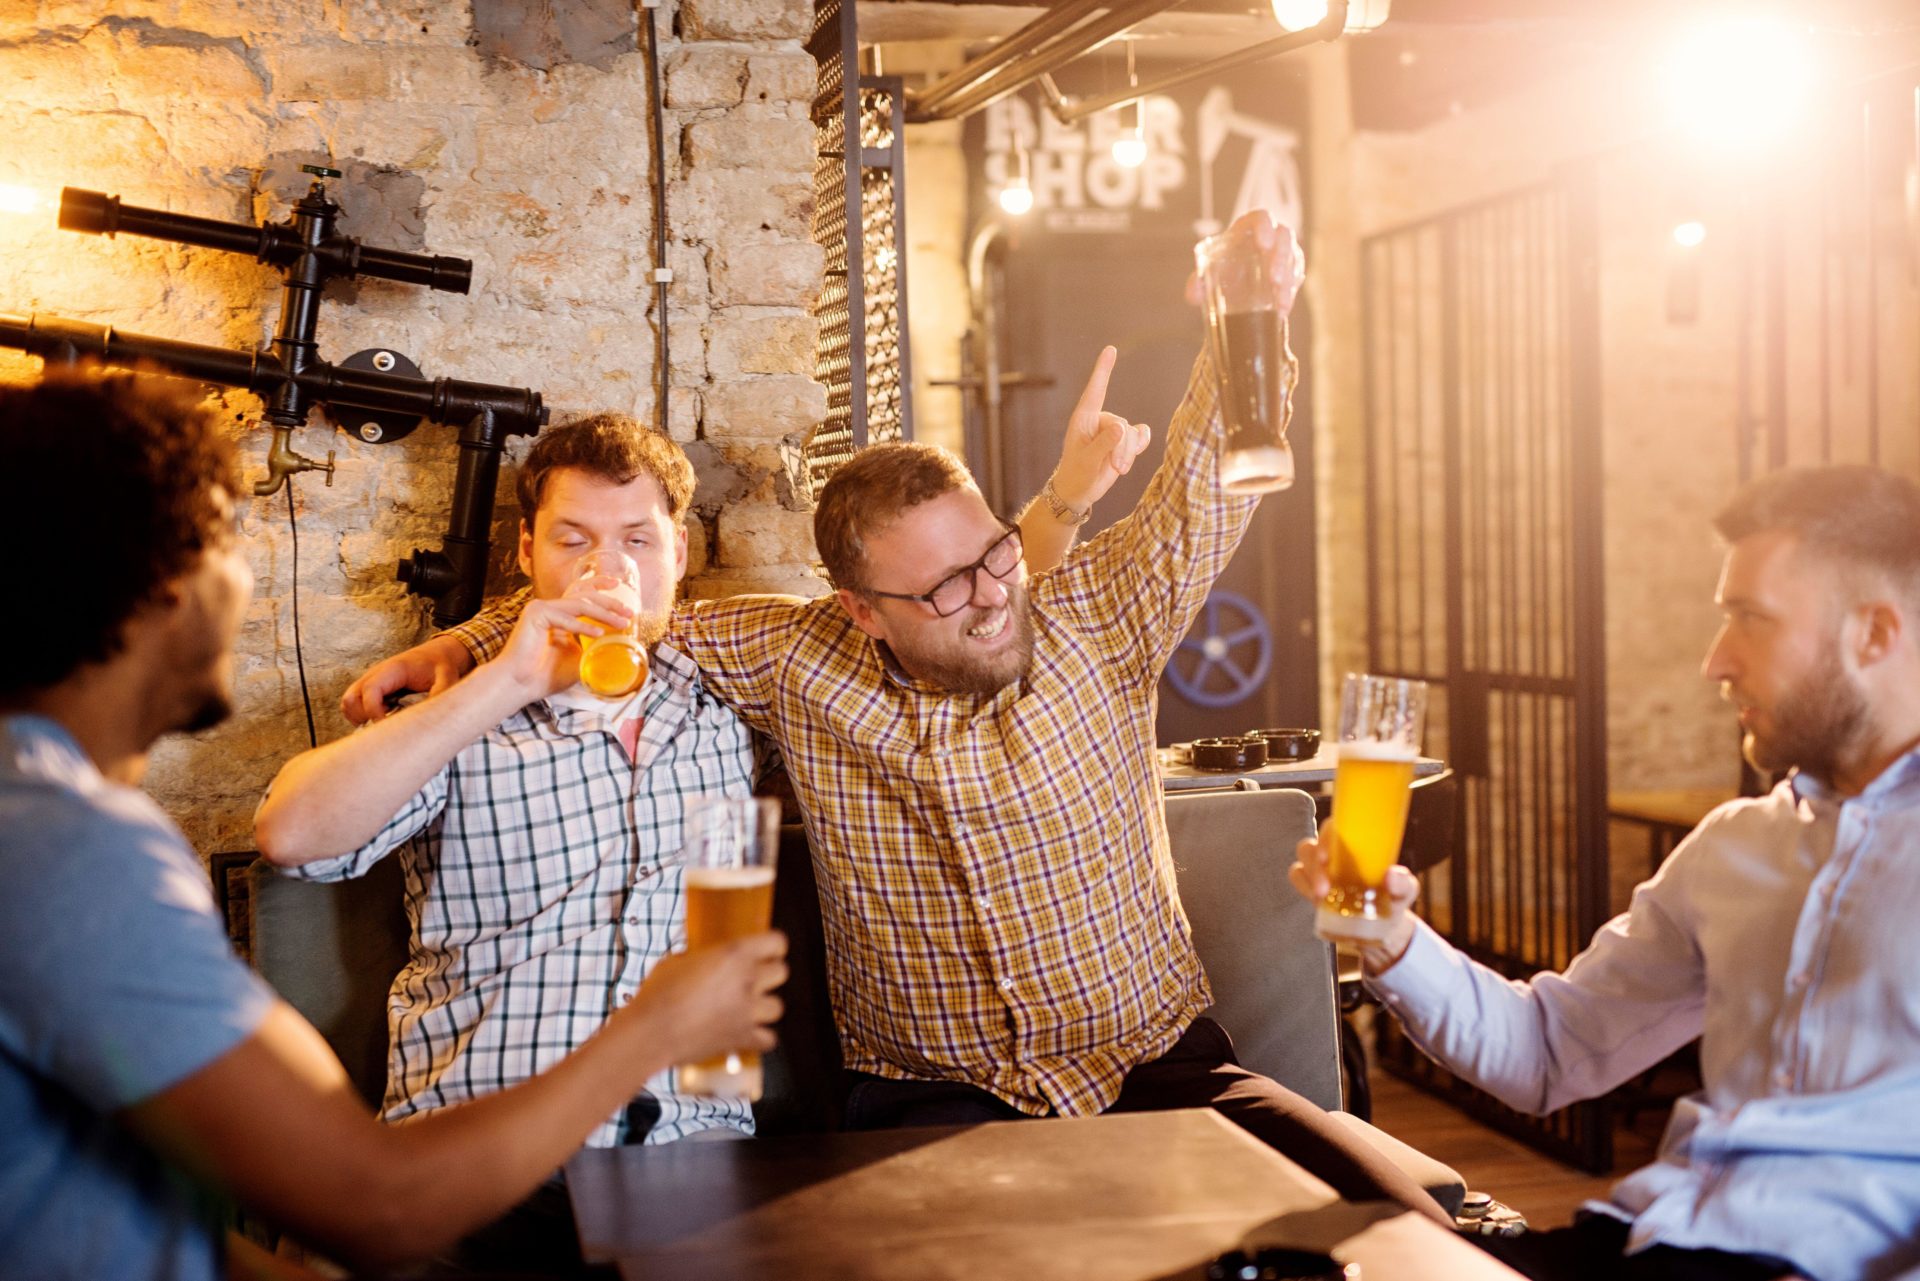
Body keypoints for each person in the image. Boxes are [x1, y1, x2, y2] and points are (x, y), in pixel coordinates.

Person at [346, 211, 1449, 1220]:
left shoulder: (1096, 619)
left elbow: (1204, 493)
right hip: (930, 1099)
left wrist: (1246, 312)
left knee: (1409, 1223)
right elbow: (619, 605)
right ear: (863, 612)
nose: (993, 595)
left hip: (1158, 1064)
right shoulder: (796, 659)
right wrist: (466, 644)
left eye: (995, 553)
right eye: (945, 589)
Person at [0, 371, 786, 1281]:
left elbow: (110, 1204)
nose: (248, 577)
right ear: (166, 586)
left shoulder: (733, 696)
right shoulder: (71, 849)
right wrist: (502, 668)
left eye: (637, 543)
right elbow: (291, 835)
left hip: (694, 1160)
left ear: (678, 552)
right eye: (229, 539)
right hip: (471, 1169)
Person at [1291, 465, 1920, 1281]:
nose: (1714, 661)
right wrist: (1389, 939)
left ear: (1874, 633)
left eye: (1750, 620)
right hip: (1644, 1241)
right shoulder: (1734, 847)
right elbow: (1549, 1052)